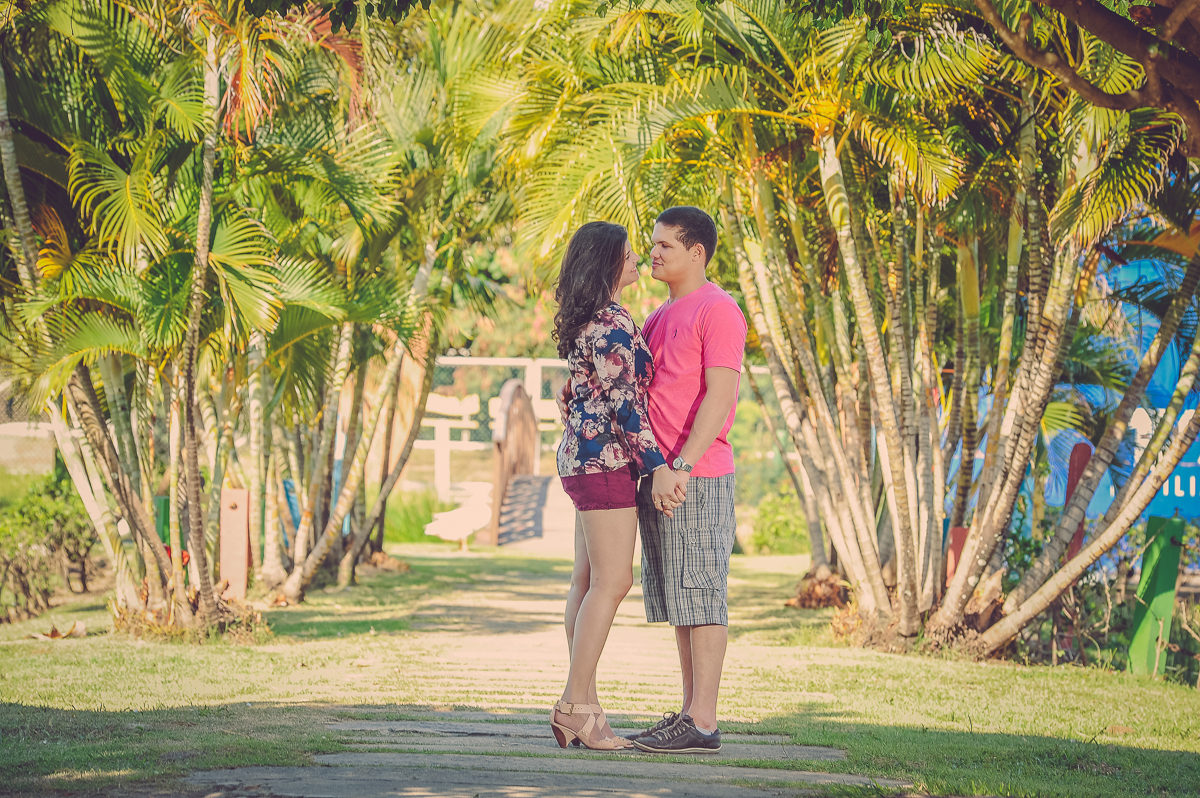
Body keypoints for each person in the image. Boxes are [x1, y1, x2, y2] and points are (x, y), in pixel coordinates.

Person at [550, 221, 686, 751]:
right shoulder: (610, 322)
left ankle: (587, 708)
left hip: (583, 458)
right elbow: (626, 407)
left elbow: (589, 389)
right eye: (628, 253)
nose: (637, 259)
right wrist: (657, 467)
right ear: (606, 262)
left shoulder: (594, 318)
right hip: (604, 461)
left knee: (586, 582)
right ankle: (574, 705)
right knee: (613, 581)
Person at [624, 206, 747, 754]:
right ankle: (689, 714)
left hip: (696, 477)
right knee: (681, 601)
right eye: (652, 244)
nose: (652, 253)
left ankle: (704, 721)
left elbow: (720, 396)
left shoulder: (718, 309)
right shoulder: (658, 315)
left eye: (665, 245)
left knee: (702, 596)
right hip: (661, 478)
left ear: (696, 253)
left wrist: (682, 466)